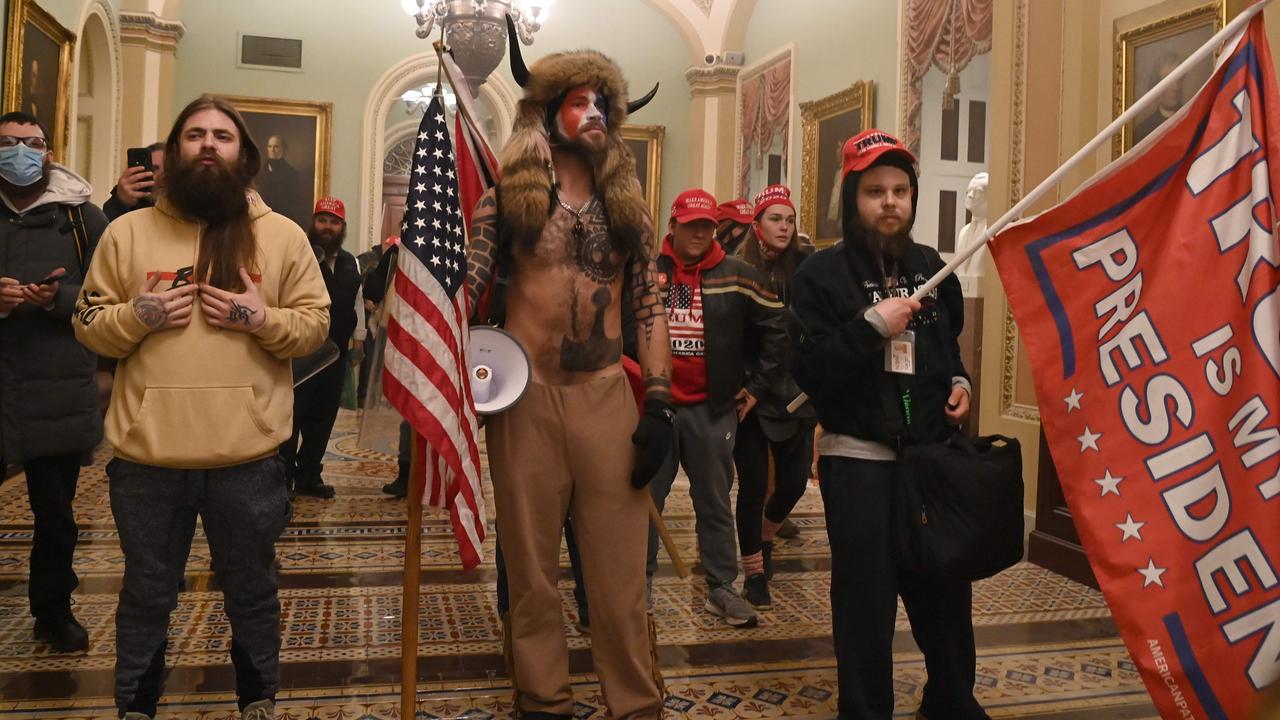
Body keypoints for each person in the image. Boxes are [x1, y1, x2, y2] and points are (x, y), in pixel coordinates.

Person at [73, 96, 330, 720]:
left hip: (249, 460)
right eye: (194, 135)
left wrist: (258, 317)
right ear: (172, 151)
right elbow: (87, 323)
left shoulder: (283, 235)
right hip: (148, 461)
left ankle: (258, 700)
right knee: (145, 593)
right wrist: (138, 316)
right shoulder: (127, 232)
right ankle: (136, 703)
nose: (208, 145)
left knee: (252, 592)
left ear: (244, 153)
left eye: (221, 135)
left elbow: (315, 325)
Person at [463, 35, 671, 719]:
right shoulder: (506, 202)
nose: (593, 114)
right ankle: (543, 699)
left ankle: (635, 704)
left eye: (602, 103)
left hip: (607, 398)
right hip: (524, 401)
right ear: (549, 114)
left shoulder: (629, 213)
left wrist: (661, 404)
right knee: (530, 575)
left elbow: (650, 304)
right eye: (578, 102)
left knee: (618, 579)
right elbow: (465, 292)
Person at [790, 128, 985, 719]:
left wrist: (960, 384)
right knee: (866, 603)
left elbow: (946, 346)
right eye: (876, 190)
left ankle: (952, 701)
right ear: (853, 197)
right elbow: (811, 372)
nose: (891, 201)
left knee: (946, 594)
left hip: (931, 463)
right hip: (859, 464)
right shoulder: (819, 276)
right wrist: (871, 327)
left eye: (901, 190)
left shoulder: (930, 266)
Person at [645, 187, 785, 628]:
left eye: (706, 225)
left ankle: (722, 588)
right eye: (691, 226)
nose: (699, 234)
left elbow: (779, 331)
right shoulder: (648, 274)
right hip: (656, 408)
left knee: (715, 502)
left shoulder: (738, 275)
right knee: (645, 501)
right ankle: (639, 586)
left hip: (712, 409)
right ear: (674, 226)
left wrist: (757, 387)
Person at [0, 111, 107, 653]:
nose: (21, 152)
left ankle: (52, 611)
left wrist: (57, 300)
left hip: (58, 387)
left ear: (49, 150)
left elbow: (110, 293)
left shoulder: (84, 218)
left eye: (32, 143)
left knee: (57, 518)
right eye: (9, 143)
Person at [730, 183, 817, 610]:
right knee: (752, 486)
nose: (784, 227)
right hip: (750, 394)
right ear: (756, 224)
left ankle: (766, 537)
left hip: (797, 394)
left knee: (795, 483)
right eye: (775, 219)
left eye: (789, 219)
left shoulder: (805, 267)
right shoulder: (738, 268)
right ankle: (754, 571)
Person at [280, 196, 366, 499]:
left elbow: (357, 301)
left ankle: (309, 475)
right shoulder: (297, 255)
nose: (327, 227)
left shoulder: (350, 262)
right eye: (322, 220)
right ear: (313, 222)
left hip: (336, 356)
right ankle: (284, 478)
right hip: (300, 355)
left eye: (334, 222)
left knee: (323, 419)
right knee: (292, 418)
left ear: (342, 227)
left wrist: (359, 340)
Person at [256, 134, 309, 228]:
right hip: (261, 220)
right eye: (270, 146)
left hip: (282, 221)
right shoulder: (259, 171)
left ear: (283, 150)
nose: (272, 150)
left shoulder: (291, 174)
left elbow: (293, 202)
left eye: (276, 147)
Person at [104, 143, 165, 221]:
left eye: (169, 169)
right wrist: (120, 202)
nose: (163, 176)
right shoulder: (122, 206)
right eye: (153, 169)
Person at [954, 171, 989, 279]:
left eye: (977, 191)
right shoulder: (963, 232)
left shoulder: (993, 230)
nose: (970, 195)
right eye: (969, 190)